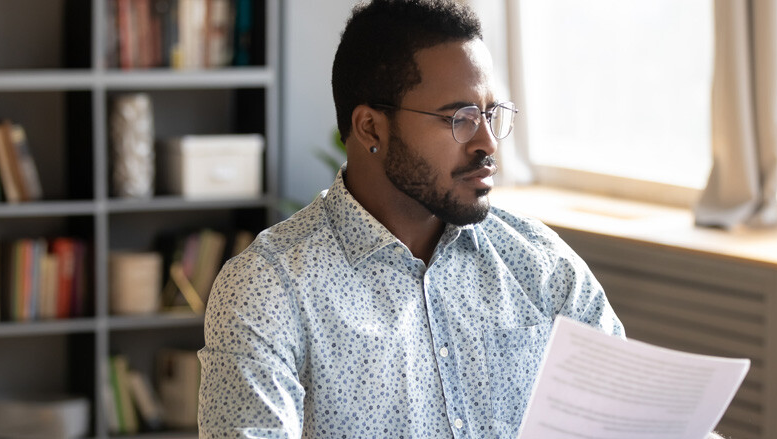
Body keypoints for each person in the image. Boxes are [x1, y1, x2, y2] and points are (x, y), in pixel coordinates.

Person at [198, 0, 700, 437]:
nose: (486, 143)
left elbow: (634, 421)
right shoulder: (269, 288)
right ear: (371, 126)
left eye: (490, 114)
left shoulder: (542, 266)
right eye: (458, 118)